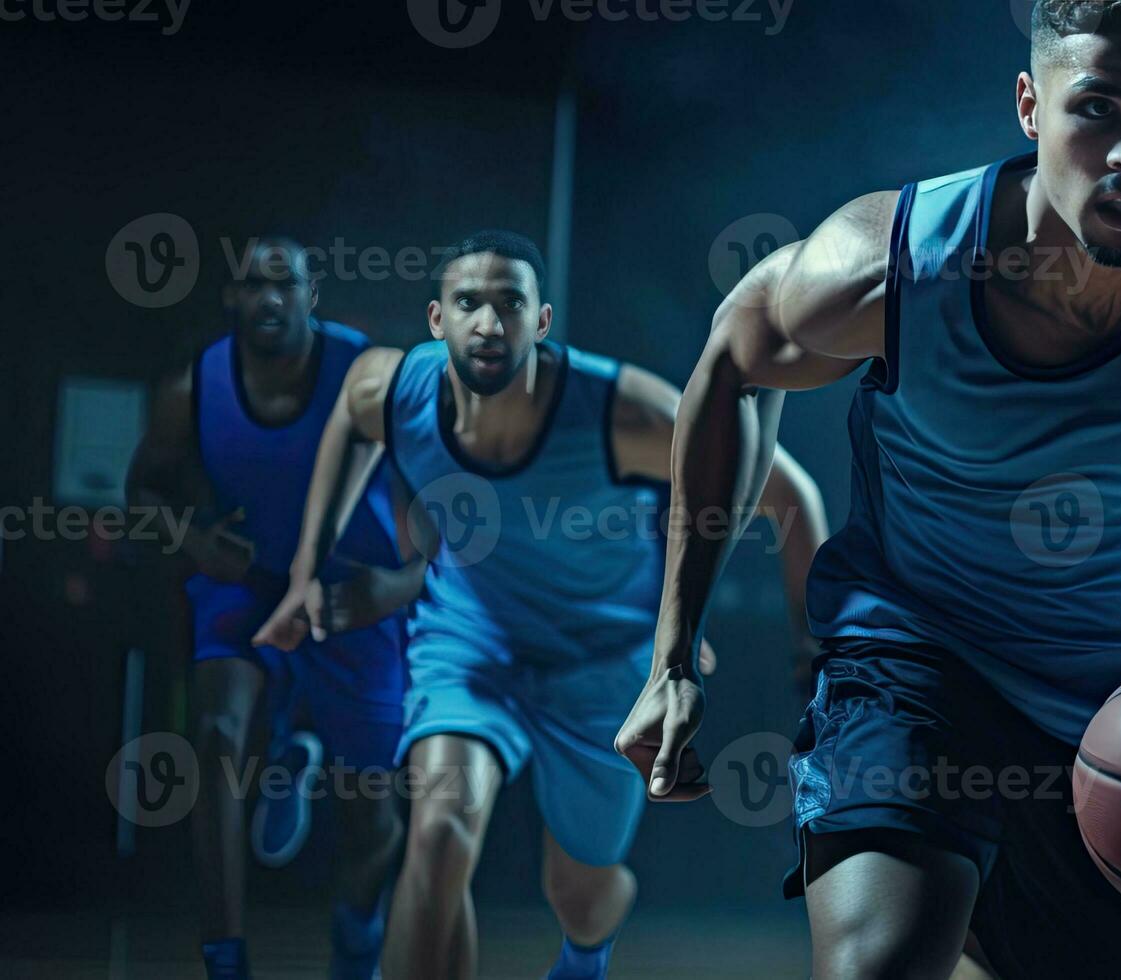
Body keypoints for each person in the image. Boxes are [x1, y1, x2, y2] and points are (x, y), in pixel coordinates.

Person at [614, 3, 1121, 977]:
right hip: (915, 653)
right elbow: (732, 363)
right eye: (1097, 110)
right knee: (880, 961)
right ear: (1030, 107)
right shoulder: (898, 262)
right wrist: (672, 653)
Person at [254, 230, 819, 979]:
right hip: (470, 645)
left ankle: (585, 956)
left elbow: (790, 495)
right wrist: (304, 572)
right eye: (468, 304)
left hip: (602, 664)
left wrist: (781, 647)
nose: (488, 323)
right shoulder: (389, 389)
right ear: (436, 319)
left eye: (509, 303)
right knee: (440, 829)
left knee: (581, 892)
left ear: (542, 321)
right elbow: (350, 431)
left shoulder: (620, 412)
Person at [126, 236, 425, 980]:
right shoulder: (193, 388)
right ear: (234, 298)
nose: (269, 299)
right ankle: (224, 953)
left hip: (353, 592)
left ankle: (356, 932)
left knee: (376, 818)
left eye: (284, 284)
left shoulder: (369, 377)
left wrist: (397, 587)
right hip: (248, 579)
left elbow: (452, 503)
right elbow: (141, 490)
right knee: (216, 731)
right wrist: (195, 542)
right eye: (253, 286)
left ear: (311, 296)